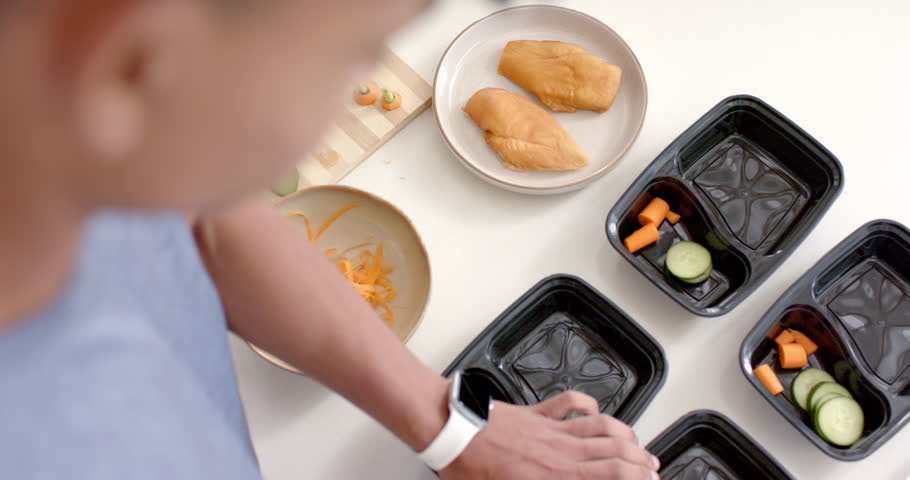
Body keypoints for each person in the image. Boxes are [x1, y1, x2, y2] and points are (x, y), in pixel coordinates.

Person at [0, 1, 660, 479]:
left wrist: (451, 431)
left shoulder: (65, 137)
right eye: (358, 51)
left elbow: (209, 221)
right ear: (132, 63)